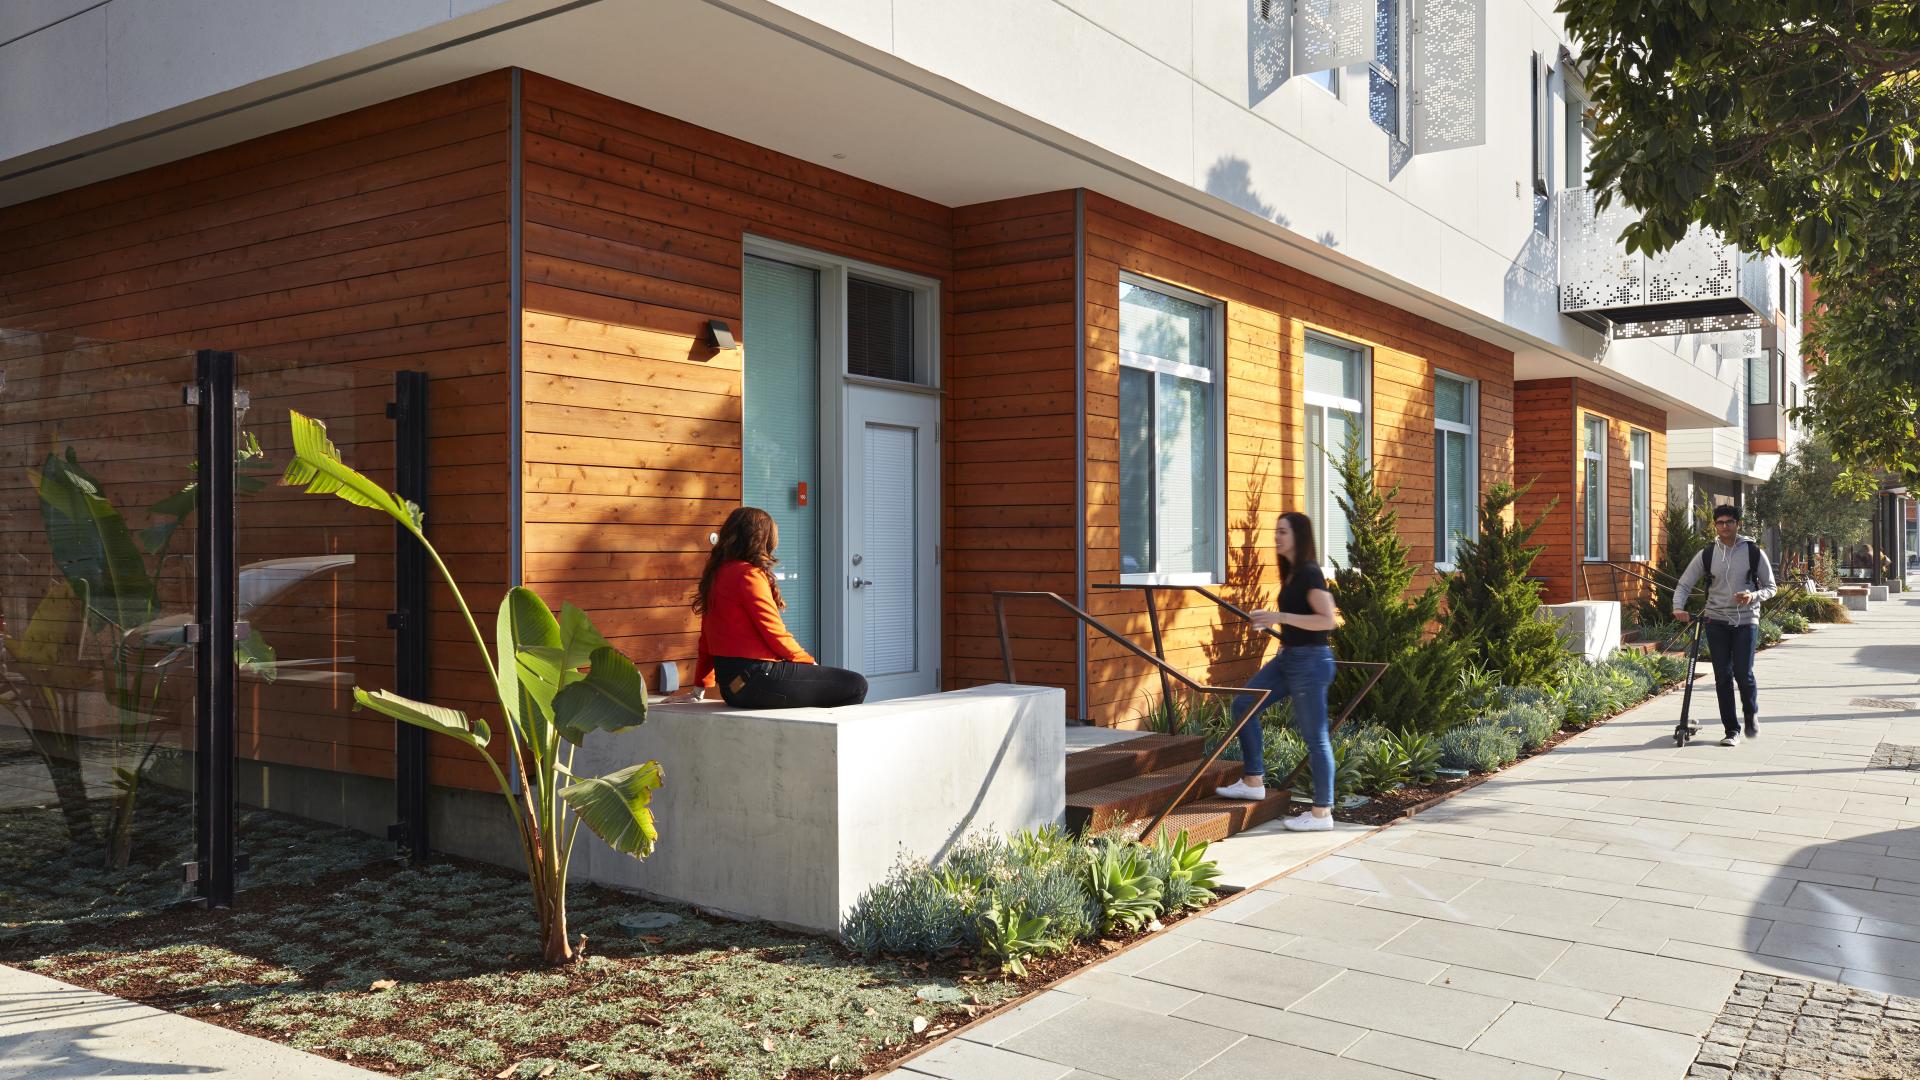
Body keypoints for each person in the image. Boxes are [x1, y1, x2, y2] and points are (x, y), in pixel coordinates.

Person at [664, 506, 868, 709]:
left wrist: (699, 687)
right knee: (856, 685)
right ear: (761, 540)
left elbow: (706, 638)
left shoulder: (718, 574)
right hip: (757, 679)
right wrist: (809, 664)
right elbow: (774, 632)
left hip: (732, 689)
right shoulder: (748, 575)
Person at [1213, 511, 1340, 832]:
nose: (1277, 537)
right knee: (1244, 704)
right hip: (1290, 658)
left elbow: (1327, 621)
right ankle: (1254, 780)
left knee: (1315, 738)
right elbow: (1299, 620)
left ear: (1299, 535)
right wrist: (1282, 633)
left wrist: (1277, 616)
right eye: (1276, 531)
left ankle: (1322, 813)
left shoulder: (1310, 574)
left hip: (1311, 663)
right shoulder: (1293, 573)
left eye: (1283, 531)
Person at [1672, 503, 1776, 746]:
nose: (1725, 526)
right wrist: (1678, 607)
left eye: (1729, 522)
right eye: (1720, 522)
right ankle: (1732, 730)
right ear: (1715, 525)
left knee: (1743, 672)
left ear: (1737, 524)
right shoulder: (1707, 553)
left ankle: (1750, 716)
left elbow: (1772, 587)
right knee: (1722, 677)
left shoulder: (1753, 552)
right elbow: (1685, 583)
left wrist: (1752, 596)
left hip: (1746, 619)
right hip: (1715, 620)